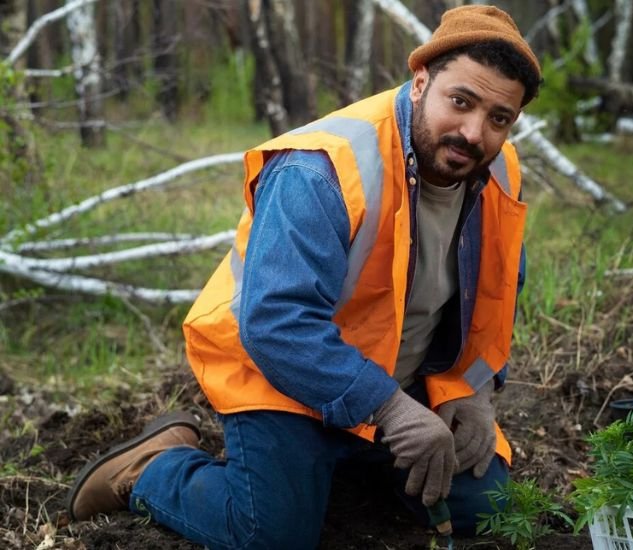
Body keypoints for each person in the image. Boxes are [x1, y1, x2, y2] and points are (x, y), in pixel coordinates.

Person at [65, 5, 541, 548]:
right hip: (284, 380)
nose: (474, 132)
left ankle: (346, 462)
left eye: (499, 118)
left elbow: (497, 289)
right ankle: (153, 467)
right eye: (461, 102)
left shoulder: (499, 171)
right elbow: (275, 324)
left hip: (394, 384)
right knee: (276, 537)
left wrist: (474, 391)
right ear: (420, 82)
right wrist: (392, 411)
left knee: (491, 510)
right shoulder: (321, 168)